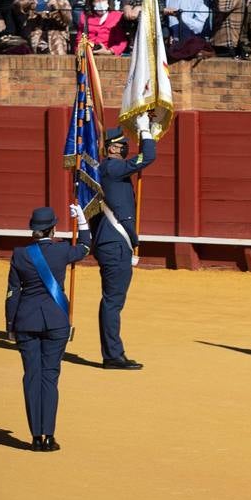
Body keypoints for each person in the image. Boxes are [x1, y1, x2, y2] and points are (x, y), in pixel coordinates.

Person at [5, 205, 92, 451]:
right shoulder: (62, 251)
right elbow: (85, 247)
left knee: (31, 376)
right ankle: (49, 436)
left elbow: (13, 293)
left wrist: (10, 325)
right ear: (53, 229)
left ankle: (35, 437)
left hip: (26, 321)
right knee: (50, 377)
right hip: (55, 321)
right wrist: (83, 221)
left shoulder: (20, 255)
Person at [94, 117, 156, 370]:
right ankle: (112, 355)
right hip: (114, 242)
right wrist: (145, 132)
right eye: (122, 145)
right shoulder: (111, 167)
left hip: (115, 242)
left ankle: (112, 352)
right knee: (113, 301)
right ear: (111, 148)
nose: (125, 148)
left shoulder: (110, 169)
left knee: (113, 300)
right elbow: (147, 158)